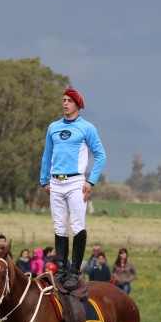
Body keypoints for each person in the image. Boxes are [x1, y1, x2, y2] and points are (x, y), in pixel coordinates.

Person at [40, 87, 107, 291]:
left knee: (77, 226)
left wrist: (90, 181)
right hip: (56, 182)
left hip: (76, 182)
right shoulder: (53, 127)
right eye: (63, 100)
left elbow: (100, 155)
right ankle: (61, 270)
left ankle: (75, 271)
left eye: (69, 100)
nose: (65, 103)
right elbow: (46, 155)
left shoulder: (87, 128)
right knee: (59, 226)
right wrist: (44, 180)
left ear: (78, 105)